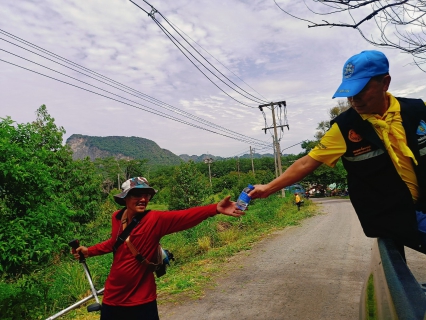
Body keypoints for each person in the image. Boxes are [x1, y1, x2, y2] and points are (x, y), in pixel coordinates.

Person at [249, 50, 426, 256]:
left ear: (385, 83)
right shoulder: (344, 128)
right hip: (393, 214)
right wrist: (269, 188)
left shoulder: (417, 110)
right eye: (350, 92)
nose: (354, 99)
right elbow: (307, 163)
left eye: (361, 90)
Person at [72, 177, 244, 320]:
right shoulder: (117, 217)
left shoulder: (154, 219)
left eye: (146, 194)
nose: (143, 199)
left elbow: (184, 216)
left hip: (141, 300)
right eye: (136, 194)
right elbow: (115, 242)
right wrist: (89, 251)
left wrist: (215, 209)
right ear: (125, 198)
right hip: (112, 297)